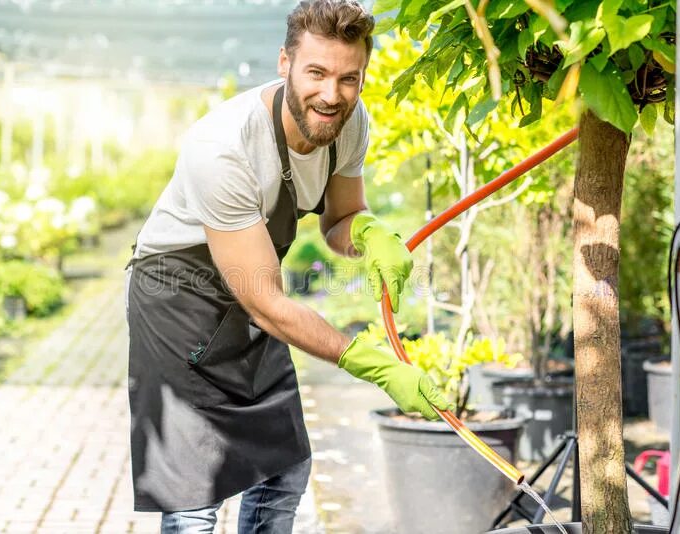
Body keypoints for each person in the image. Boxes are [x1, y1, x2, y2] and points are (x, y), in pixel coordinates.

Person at [124, 0, 451, 532]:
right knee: (194, 496)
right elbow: (268, 305)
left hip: (251, 284)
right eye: (316, 73)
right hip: (178, 297)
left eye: (350, 78)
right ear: (284, 64)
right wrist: (373, 364)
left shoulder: (348, 122)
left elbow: (339, 219)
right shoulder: (224, 146)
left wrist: (369, 232)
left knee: (285, 467)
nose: (332, 94)